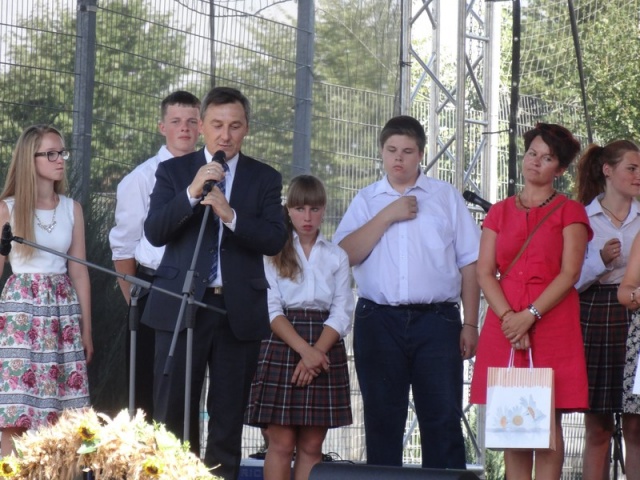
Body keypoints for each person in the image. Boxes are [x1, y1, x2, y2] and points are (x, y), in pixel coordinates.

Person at [142, 86, 287, 479]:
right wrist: (192, 193)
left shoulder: (264, 177)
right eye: (217, 125)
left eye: (235, 126)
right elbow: (154, 232)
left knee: (227, 418)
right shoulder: (174, 171)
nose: (225, 135)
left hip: (235, 311)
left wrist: (231, 215)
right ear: (201, 126)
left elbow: (274, 239)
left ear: (246, 129)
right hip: (181, 306)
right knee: (173, 417)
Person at [332, 115, 480, 469]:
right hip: (378, 319)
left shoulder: (444, 196)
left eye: (407, 151)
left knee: (443, 419)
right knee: (382, 420)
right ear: (382, 152)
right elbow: (343, 255)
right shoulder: (367, 199)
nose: (398, 158)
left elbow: (470, 263)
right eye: (391, 150)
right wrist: (387, 215)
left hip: (438, 321)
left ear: (421, 154)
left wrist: (471, 324)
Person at [470, 123, 591, 479]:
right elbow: (484, 273)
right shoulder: (499, 211)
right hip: (505, 322)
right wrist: (511, 318)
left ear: (561, 169)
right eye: (531, 154)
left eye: (547, 158)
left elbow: (569, 273)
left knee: (548, 422)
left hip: (552, 322)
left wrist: (530, 315)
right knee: (514, 423)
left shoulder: (571, 211)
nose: (535, 162)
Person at [245, 175, 354, 480]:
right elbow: (271, 310)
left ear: (324, 210)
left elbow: (342, 311)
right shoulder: (271, 253)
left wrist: (316, 352)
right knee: (280, 444)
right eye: (300, 209)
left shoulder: (337, 256)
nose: (307, 217)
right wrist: (306, 352)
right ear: (288, 210)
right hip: (282, 342)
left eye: (314, 209)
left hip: (325, 343)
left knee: (312, 446)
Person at [0, 125, 92, 456]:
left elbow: (78, 270)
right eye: (50, 154)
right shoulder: (7, 209)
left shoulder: (72, 208)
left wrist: (87, 329)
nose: (60, 160)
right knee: (15, 416)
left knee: (65, 419)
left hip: (62, 313)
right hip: (20, 315)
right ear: (30, 159)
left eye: (62, 152)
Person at [109, 90, 200, 417]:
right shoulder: (141, 178)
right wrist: (136, 303)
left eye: (192, 121)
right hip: (154, 290)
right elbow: (123, 247)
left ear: (202, 127)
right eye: (176, 121)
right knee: (147, 395)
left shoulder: (214, 173)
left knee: (188, 394)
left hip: (199, 291)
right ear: (162, 127)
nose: (184, 128)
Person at [575, 140, 640, 480]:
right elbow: (568, 280)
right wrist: (599, 261)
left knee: (637, 425)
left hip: (638, 315)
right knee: (598, 426)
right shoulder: (581, 217)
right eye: (632, 168)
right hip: (595, 314)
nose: (638, 175)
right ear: (607, 170)